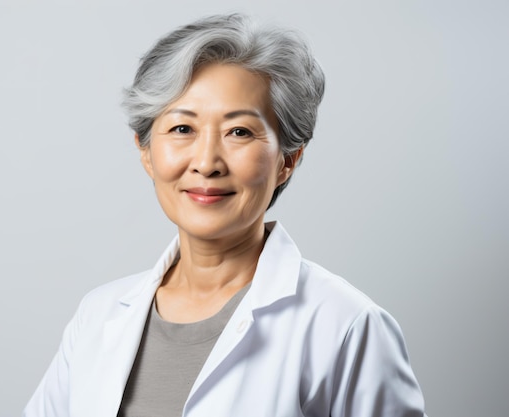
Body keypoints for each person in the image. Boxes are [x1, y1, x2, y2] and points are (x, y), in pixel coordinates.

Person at [24, 14, 427, 417]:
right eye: (182, 129)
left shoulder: (346, 326)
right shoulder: (98, 316)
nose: (207, 162)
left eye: (239, 132)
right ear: (146, 151)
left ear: (288, 159)